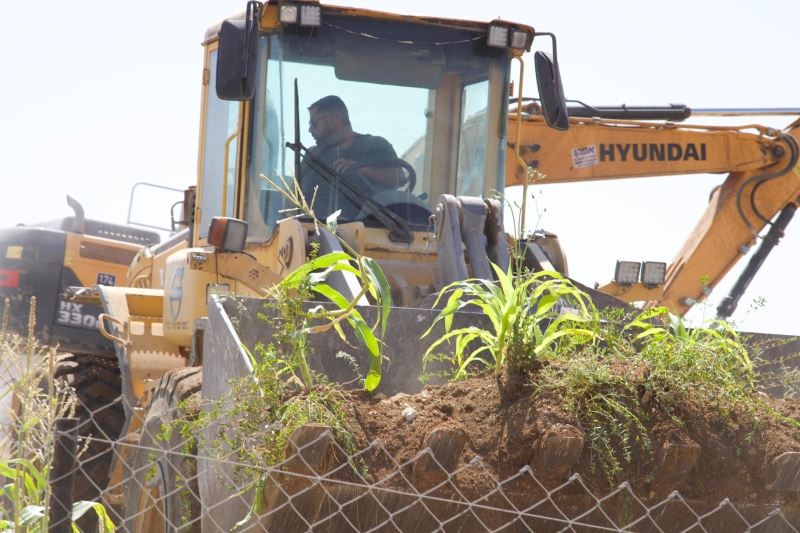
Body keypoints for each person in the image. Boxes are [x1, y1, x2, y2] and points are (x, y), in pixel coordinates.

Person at [300, 95, 406, 220]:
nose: (310, 129)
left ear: (336, 117)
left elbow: (399, 178)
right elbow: (294, 194)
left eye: (314, 122)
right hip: (313, 232)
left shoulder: (375, 145)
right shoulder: (313, 155)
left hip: (366, 232)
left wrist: (363, 170)